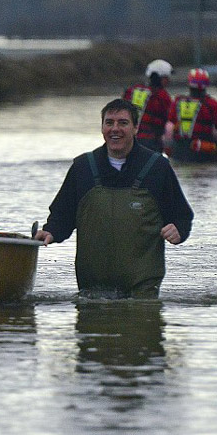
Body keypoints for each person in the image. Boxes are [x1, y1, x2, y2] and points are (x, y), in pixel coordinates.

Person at [34, 98, 194, 298]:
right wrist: (50, 232)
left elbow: (182, 216)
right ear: (102, 128)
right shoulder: (82, 167)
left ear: (136, 128)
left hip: (142, 289)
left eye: (123, 123)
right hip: (92, 290)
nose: (115, 129)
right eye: (109, 122)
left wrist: (178, 230)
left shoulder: (157, 167)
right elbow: (62, 216)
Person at [166, 68, 217, 159]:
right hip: (201, 152)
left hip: (178, 151)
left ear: (189, 83)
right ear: (206, 84)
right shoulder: (211, 104)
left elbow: (170, 119)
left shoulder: (177, 101)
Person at [121, 59, 173, 151]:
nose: (168, 80)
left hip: (127, 140)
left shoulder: (132, 91)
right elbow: (170, 119)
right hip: (150, 142)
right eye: (166, 78)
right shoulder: (162, 96)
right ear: (159, 78)